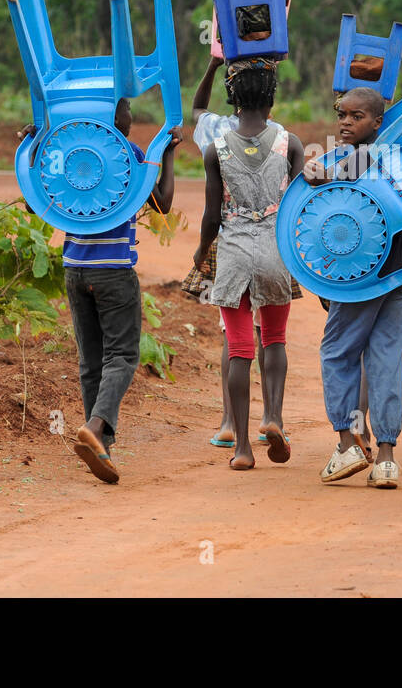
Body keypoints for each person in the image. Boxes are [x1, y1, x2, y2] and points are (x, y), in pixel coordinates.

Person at [19, 99, 182, 484]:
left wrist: (32, 151)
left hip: (76, 270)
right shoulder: (129, 153)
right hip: (113, 272)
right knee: (123, 356)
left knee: (91, 362)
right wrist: (168, 153)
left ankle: (100, 444)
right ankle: (95, 427)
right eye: (125, 109)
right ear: (112, 117)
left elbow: (34, 204)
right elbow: (162, 202)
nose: (131, 116)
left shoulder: (64, 151)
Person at [193, 58, 304, 471]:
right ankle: (273, 417)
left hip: (235, 251)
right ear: (271, 97)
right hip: (276, 249)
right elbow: (297, 207)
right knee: (274, 339)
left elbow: (210, 215)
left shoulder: (214, 150)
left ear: (233, 99)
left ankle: (241, 448)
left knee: (239, 347)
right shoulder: (290, 143)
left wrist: (203, 249)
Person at [306, 87, 402, 489]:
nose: (346, 123)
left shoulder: (366, 157)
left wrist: (322, 174)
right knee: (385, 359)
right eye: (342, 115)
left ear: (378, 122)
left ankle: (348, 444)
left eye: (357, 117)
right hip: (400, 273)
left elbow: (333, 216)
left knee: (337, 353)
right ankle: (385, 459)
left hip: (363, 278)